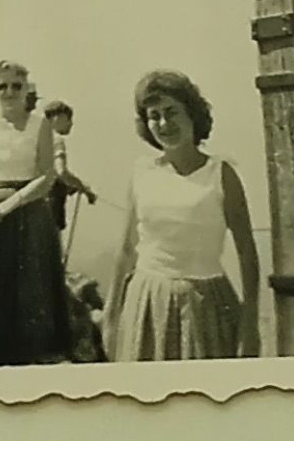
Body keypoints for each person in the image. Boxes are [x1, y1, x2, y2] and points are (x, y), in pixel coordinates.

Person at [102, 70, 261, 362]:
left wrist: (250, 326)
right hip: (146, 304)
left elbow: (247, 254)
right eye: (154, 115)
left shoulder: (221, 174)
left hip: (205, 307)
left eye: (172, 112)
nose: (164, 123)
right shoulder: (141, 172)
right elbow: (126, 251)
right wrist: (112, 315)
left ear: (192, 114)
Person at [0, 60, 72, 366]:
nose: (9, 92)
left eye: (16, 86)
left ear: (26, 89)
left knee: (30, 290)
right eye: (3, 86)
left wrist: (10, 205)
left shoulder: (40, 125)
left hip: (30, 215)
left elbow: (47, 175)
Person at [43, 100, 96, 235]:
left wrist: (67, 186)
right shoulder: (56, 140)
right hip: (50, 214)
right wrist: (84, 188)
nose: (71, 123)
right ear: (57, 117)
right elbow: (61, 172)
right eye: (68, 118)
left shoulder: (36, 140)